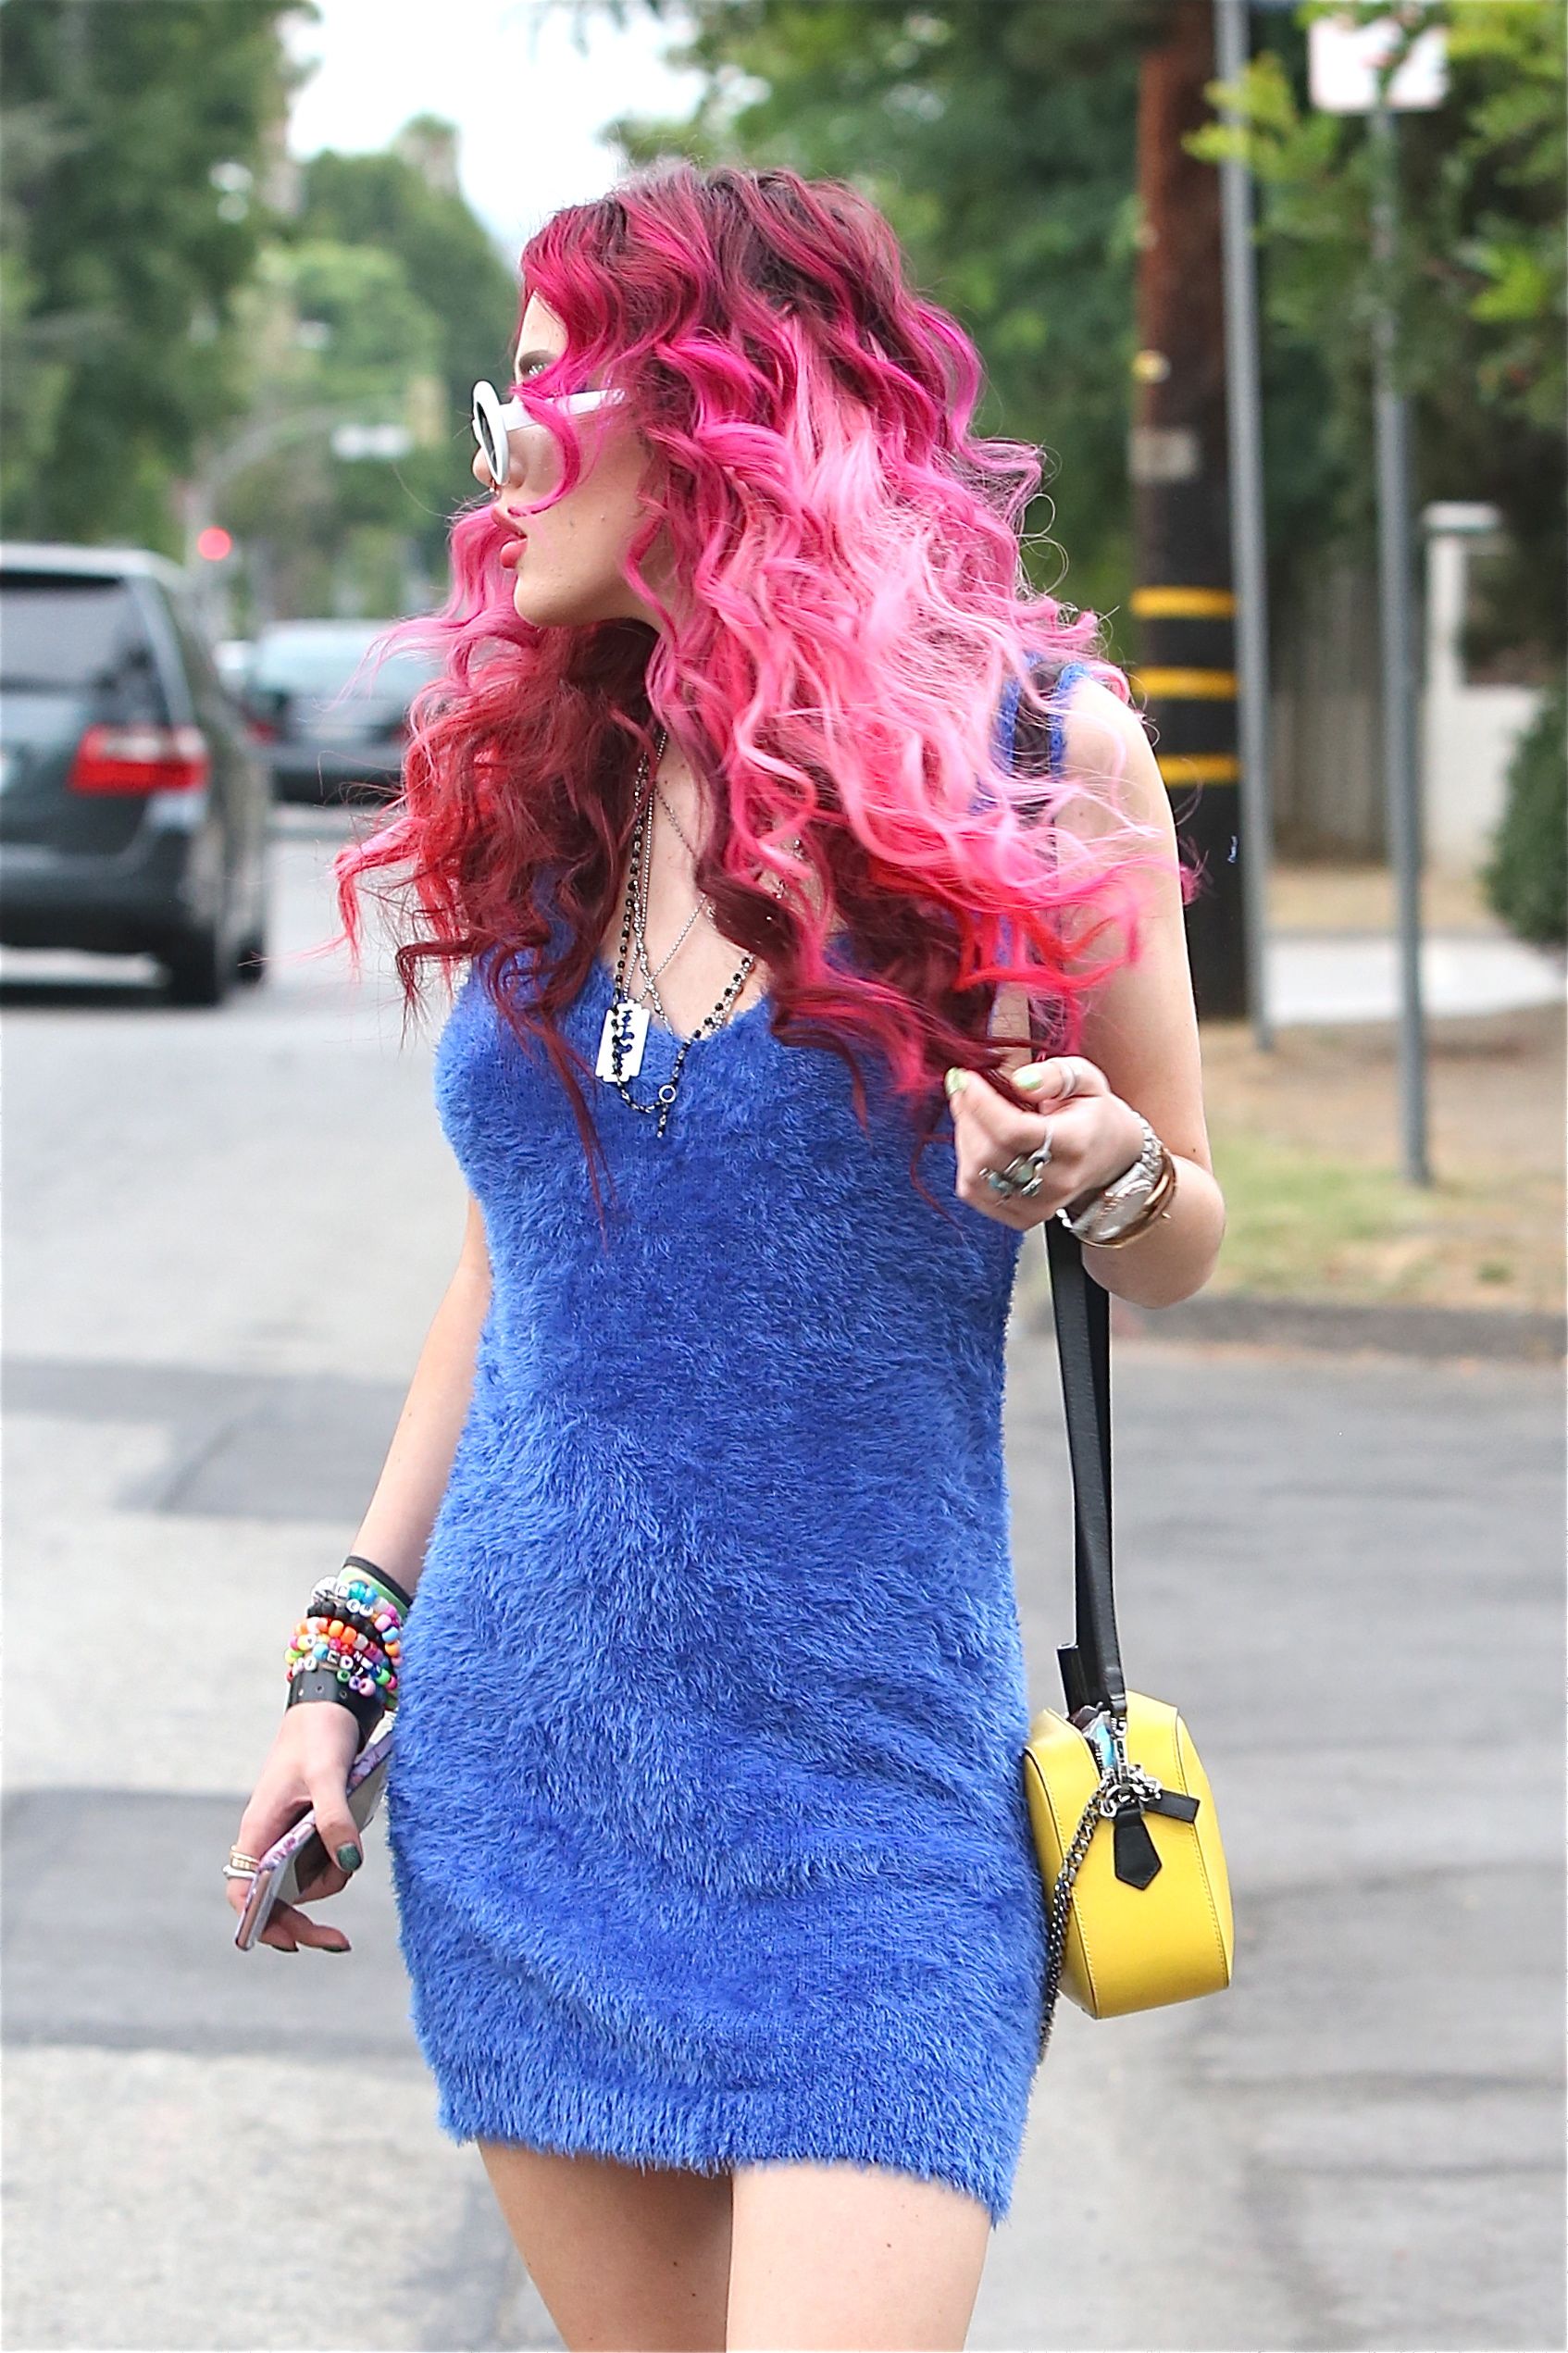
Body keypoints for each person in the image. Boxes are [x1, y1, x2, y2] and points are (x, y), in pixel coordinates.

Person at [226, 160, 1225, 2353]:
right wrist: (345, 1650)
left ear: (708, 409)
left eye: (537, 386)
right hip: (530, 1773)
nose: (498, 450)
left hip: (873, 1801)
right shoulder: (553, 781)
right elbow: (498, 1285)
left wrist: (1101, 1165)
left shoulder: (1037, 762)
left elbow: (1182, 1236)